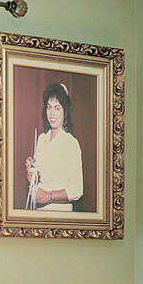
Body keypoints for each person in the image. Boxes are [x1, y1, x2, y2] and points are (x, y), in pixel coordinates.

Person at [25, 80, 86, 208]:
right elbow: (38, 179)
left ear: (65, 112)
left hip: (60, 213)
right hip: (39, 212)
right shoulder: (42, 139)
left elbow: (77, 190)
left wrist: (48, 196)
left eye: (57, 108)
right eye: (49, 107)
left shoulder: (71, 143)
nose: (52, 113)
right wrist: (31, 171)